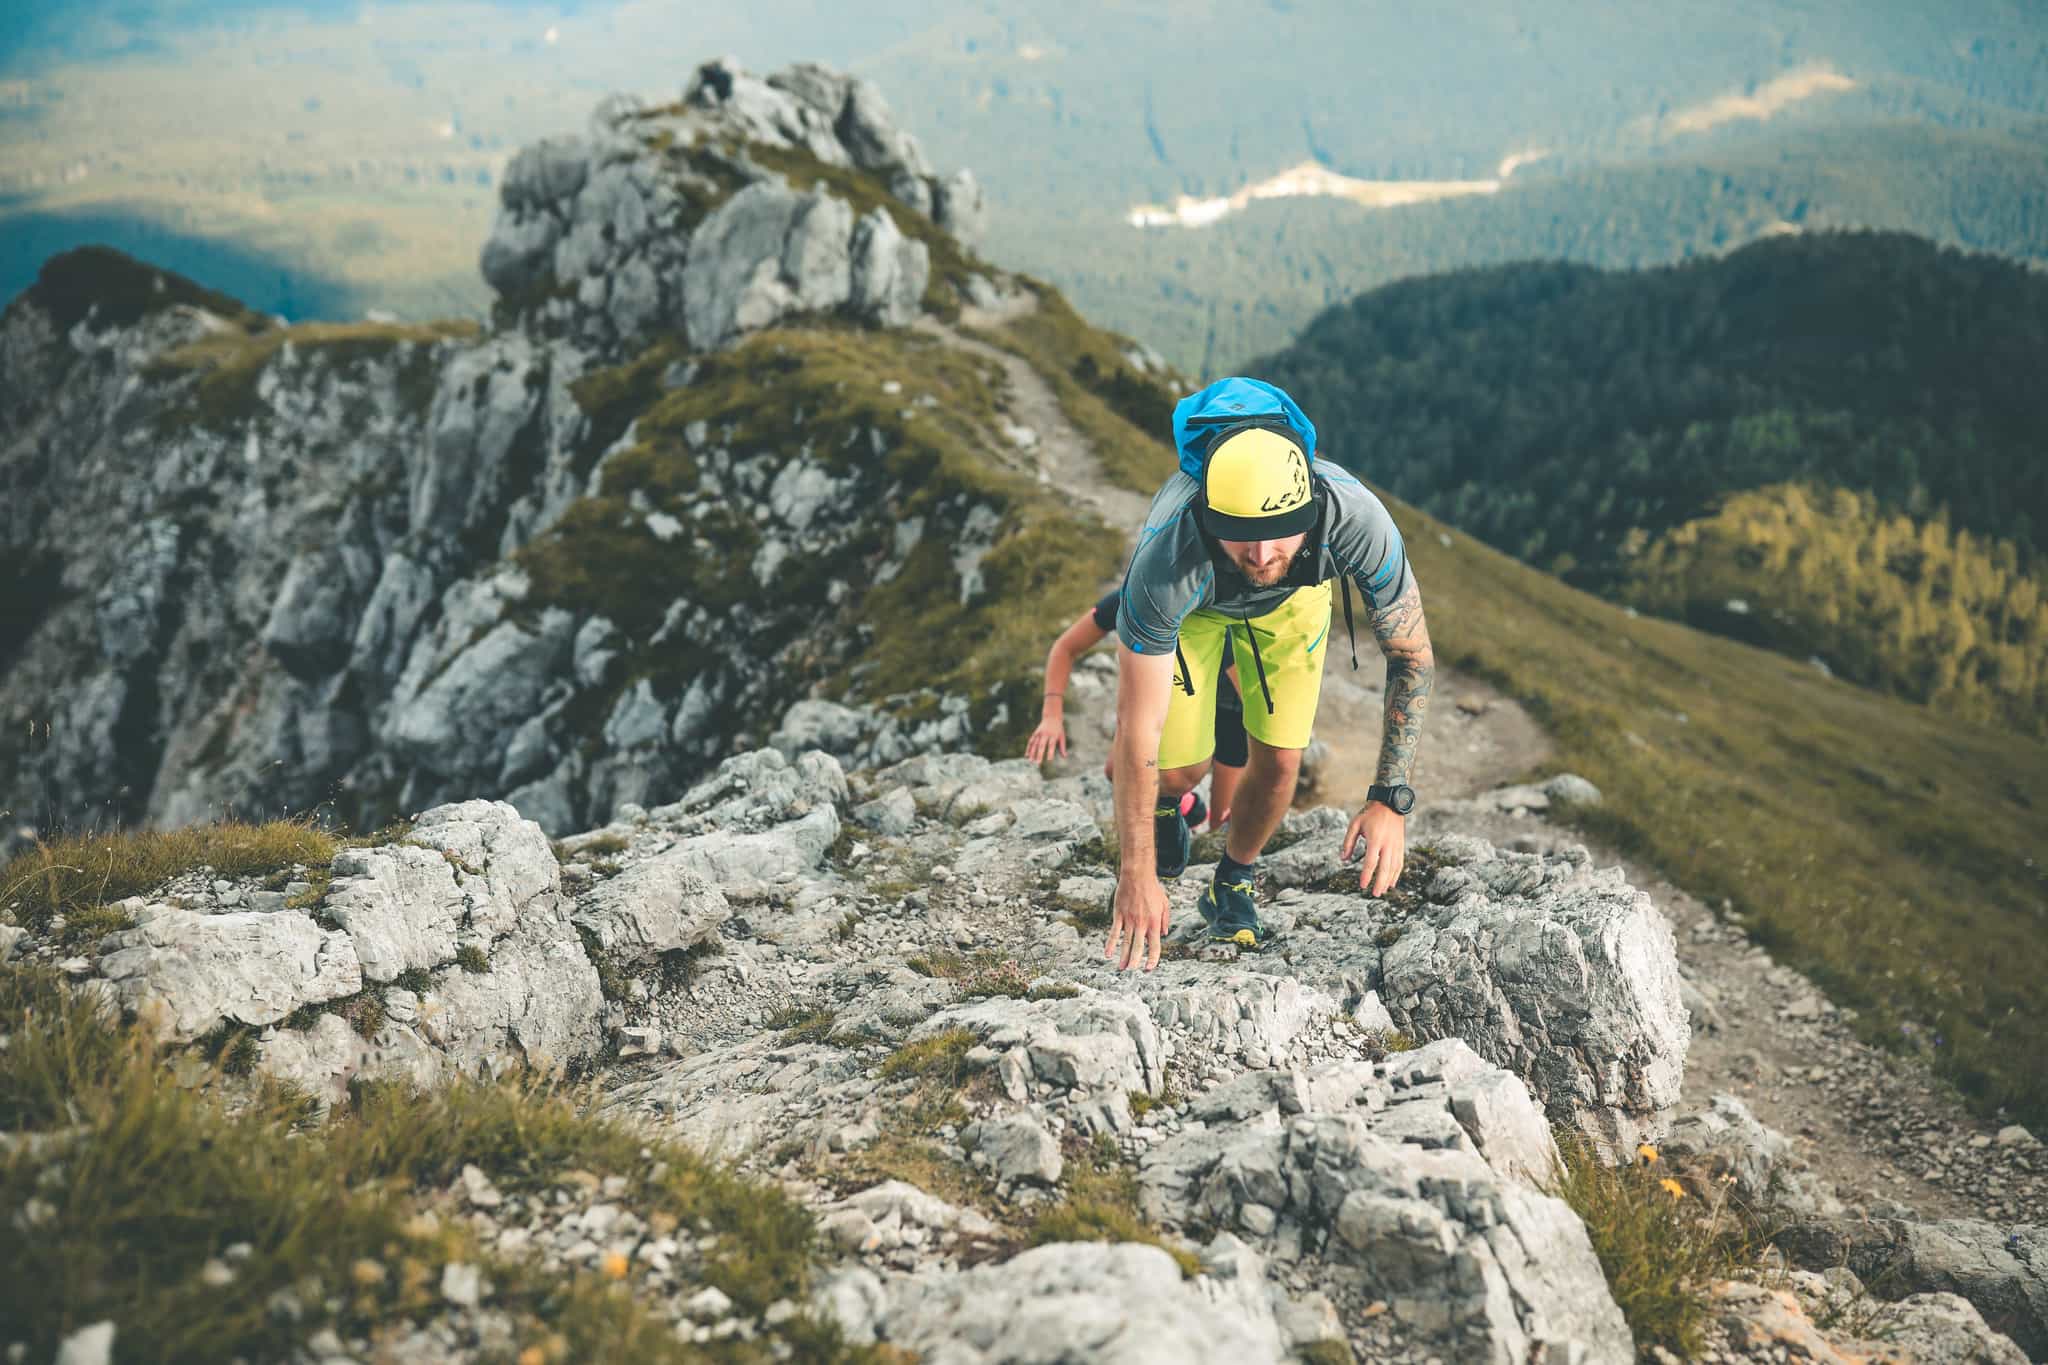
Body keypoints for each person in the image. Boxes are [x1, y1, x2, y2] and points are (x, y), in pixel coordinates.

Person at [1106, 376, 1435, 970]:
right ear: (1209, 519)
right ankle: (1167, 807)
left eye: (1277, 534)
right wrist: (1136, 871)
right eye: (1242, 537)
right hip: (1196, 609)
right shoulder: (1165, 559)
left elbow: (1411, 657)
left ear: (1310, 512)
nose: (1260, 557)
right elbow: (1136, 728)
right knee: (1179, 770)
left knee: (1282, 758)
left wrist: (1391, 799)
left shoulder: (1357, 521)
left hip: (1294, 603)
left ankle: (1231, 882)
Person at [1026, 591, 1245, 831]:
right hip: (1169, 693)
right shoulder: (1131, 598)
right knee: (1118, 771)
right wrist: (1051, 715)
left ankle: (1192, 812)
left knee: (1221, 827)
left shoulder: (1207, 621)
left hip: (1230, 707)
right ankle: (1183, 805)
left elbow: (1252, 701)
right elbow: (1065, 647)